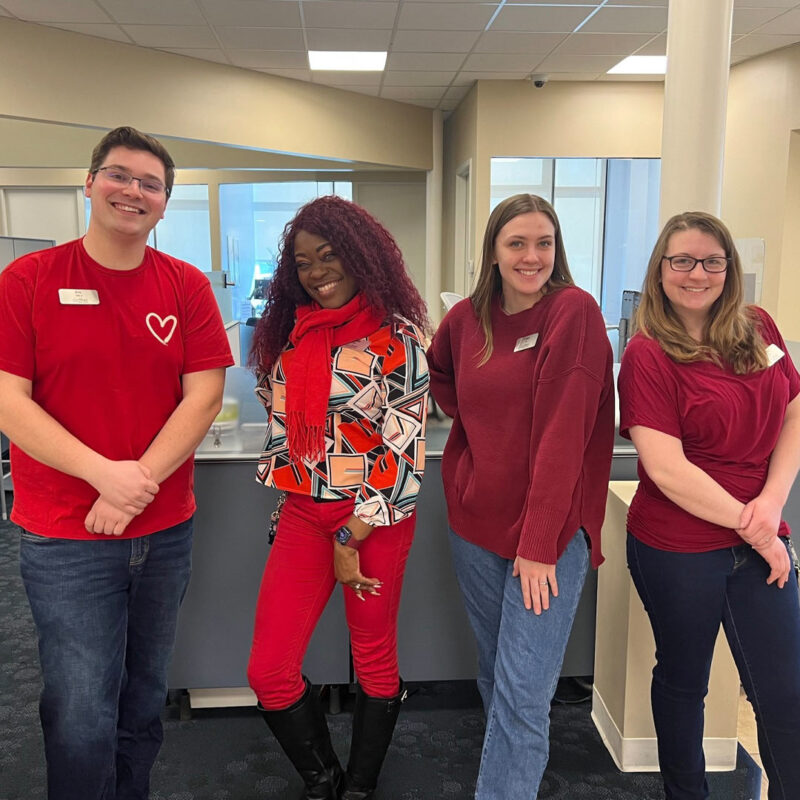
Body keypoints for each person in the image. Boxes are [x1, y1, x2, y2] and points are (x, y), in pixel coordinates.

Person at [0, 126, 233, 800]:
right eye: (119, 175)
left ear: (165, 203)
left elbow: (204, 395)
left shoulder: (185, 287)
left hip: (163, 535)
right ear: (90, 182)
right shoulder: (30, 280)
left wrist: (135, 486)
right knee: (78, 711)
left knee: (141, 702)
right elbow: (8, 401)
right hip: (66, 539)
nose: (133, 190)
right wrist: (106, 476)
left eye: (150, 183)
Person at [426, 193, 615, 798]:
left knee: (523, 691)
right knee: (497, 675)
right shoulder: (468, 318)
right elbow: (441, 375)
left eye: (544, 243)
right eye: (517, 243)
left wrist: (538, 546)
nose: (532, 257)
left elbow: (564, 438)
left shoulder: (573, 312)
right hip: (476, 527)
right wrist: (473, 429)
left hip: (549, 538)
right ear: (495, 251)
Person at [247, 195, 430, 800]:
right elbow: (290, 436)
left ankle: (361, 787)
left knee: (373, 654)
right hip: (304, 515)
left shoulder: (395, 339)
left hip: (372, 521)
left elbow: (400, 456)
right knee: (269, 669)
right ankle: (323, 780)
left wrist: (351, 536)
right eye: (303, 262)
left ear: (361, 257)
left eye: (330, 256)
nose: (318, 271)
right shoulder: (293, 336)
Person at [618, 211, 800, 799]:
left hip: (759, 530)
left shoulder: (759, 328)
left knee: (784, 688)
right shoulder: (648, 354)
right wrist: (762, 532)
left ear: (729, 268)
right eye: (682, 261)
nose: (697, 273)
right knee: (682, 681)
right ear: (660, 270)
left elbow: (796, 409)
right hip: (677, 547)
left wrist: (772, 503)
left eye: (711, 261)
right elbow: (668, 470)